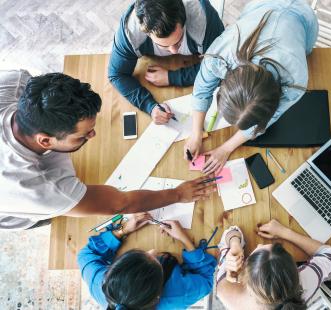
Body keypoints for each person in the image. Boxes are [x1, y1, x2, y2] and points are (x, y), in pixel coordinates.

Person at [0, 70, 215, 230]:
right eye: (82, 135)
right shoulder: (39, 190)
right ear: (45, 141)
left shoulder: (17, 83)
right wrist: (178, 193)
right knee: (58, 215)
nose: (93, 136)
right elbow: (119, 204)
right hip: (12, 206)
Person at [184, 0, 318, 174]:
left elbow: (270, 118)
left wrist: (226, 148)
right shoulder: (221, 53)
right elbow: (202, 90)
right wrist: (195, 133)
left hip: (301, 17)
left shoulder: (296, 80)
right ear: (225, 82)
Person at [108, 0, 224, 124]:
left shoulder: (206, 21)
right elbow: (116, 75)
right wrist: (150, 107)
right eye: (163, 46)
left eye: (178, 41)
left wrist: (173, 77)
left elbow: (220, 66)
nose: (174, 51)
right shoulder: (130, 34)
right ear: (146, 32)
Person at [78, 213, 217, 309]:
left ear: (112, 271)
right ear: (158, 294)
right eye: (156, 261)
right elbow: (207, 279)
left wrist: (123, 230)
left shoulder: (101, 284)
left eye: (142, 253)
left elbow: (86, 255)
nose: (153, 251)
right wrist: (185, 240)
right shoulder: (177, 296)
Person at [216, 219, 331, 309]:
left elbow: (231, 232)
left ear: (244, 277)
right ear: (295, 272)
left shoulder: (225, 290)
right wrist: (284, 232)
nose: (259, 244)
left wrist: (234, 243)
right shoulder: (305, 282)